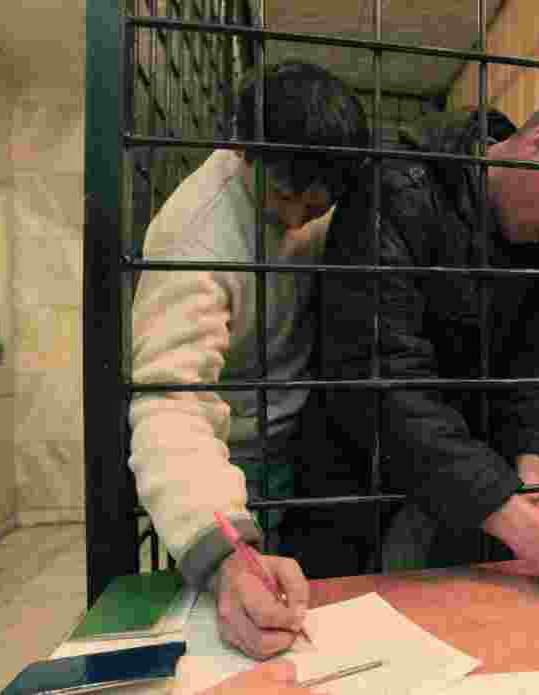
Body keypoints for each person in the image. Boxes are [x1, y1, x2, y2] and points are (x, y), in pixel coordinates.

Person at [302, 93, 539, 601]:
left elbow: (526, 357)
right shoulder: (397, 185)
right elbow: (381, 386)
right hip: (360, 490)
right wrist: (537, 536)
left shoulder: (525, 233)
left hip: (464, 489)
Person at [128, 60, 369, 659]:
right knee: (246, 617)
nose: (293, 222)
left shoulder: (339, 192)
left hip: (314, 437)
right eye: (282, 197)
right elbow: (170, 402)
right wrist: (223, 550)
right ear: (241, 150)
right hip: (230, 459)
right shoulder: (193, 236)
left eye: (313, 208)